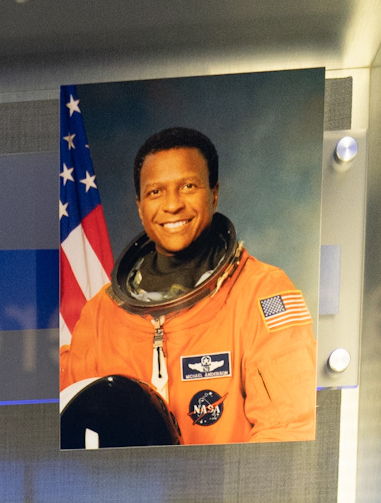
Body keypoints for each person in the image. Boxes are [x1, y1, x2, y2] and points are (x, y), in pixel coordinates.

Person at [60, 125, 316, 445]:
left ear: (214, 193)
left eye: (188, 186)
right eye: (156, 192)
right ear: (139, 206)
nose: (172, 205)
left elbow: (289, 429)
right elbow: (69, 423)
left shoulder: (262, 293)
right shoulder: (102, 313)